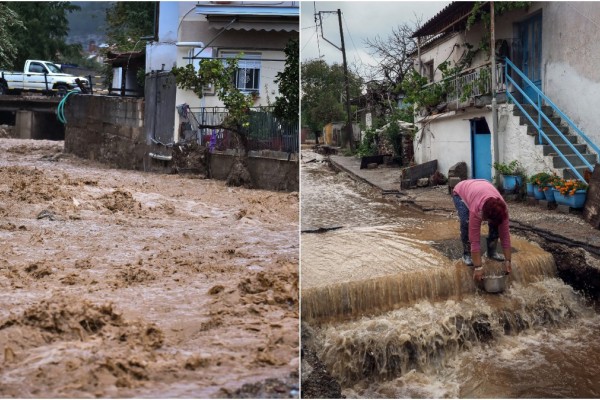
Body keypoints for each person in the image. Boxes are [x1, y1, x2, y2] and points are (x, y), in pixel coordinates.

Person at [452, 179, 513, 281]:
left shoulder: (503, 210)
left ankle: (491, 252)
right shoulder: (476, 210)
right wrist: (478, 267)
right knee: (466, 221)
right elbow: (474, 240)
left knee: (495, 224)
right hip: (461, 192)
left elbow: (505, 236)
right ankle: (466, 254)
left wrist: (508, 261)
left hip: (482, 187)